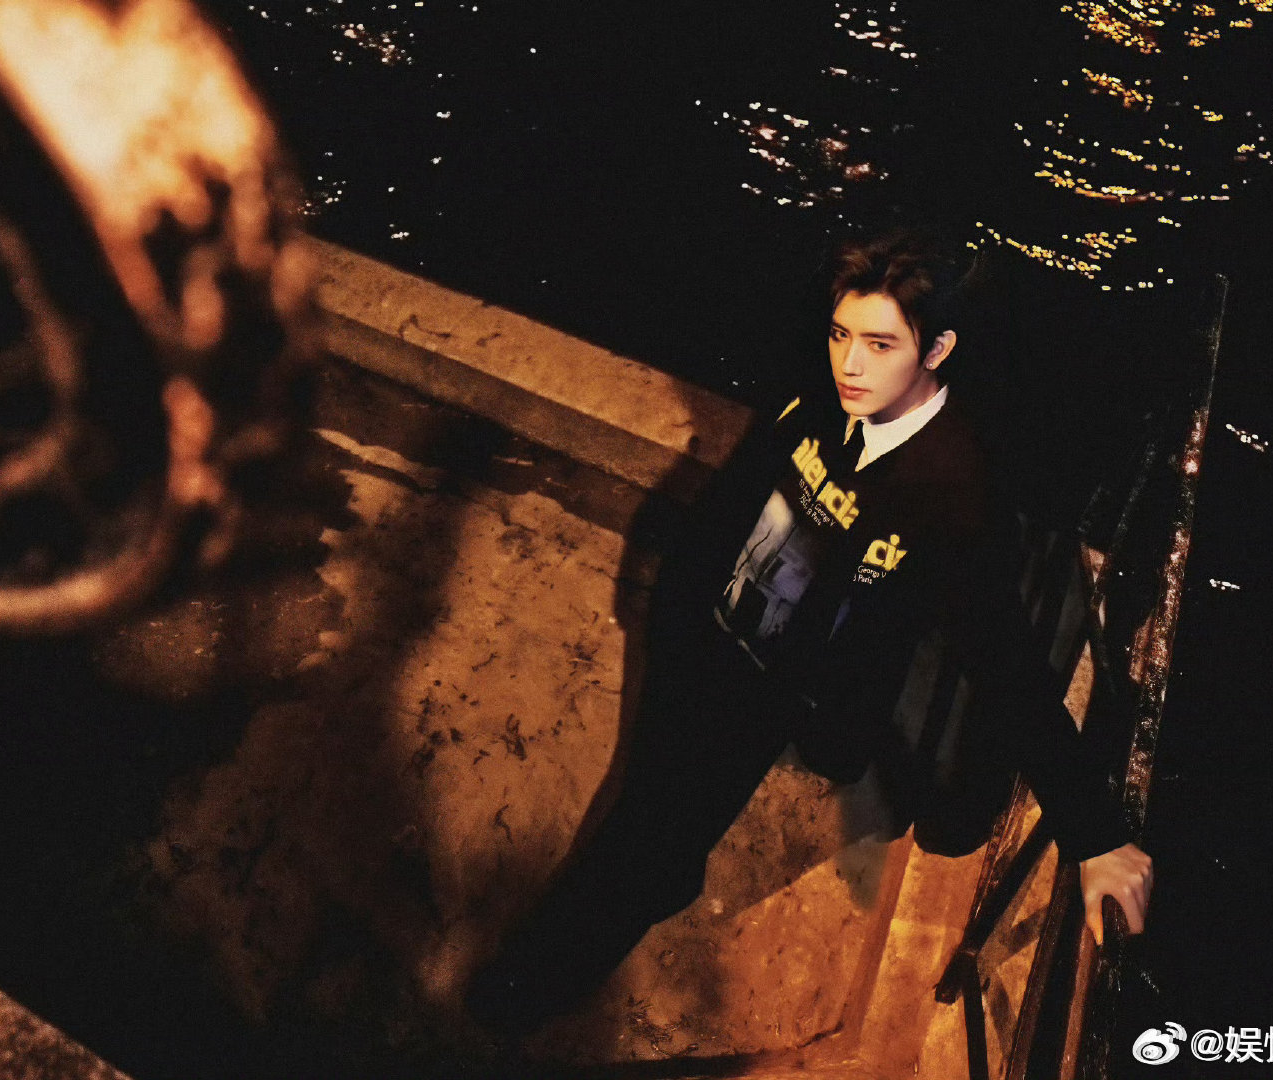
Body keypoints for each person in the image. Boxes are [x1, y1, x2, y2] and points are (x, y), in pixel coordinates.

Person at [467, 229, 1153, 1038]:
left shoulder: (951, 494)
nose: (850, 364)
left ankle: (528, 990)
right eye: (840, 334)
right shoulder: (824, 390)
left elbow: (1003, 656)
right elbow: (745, 484)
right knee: (654, 797)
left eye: (880, 344)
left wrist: (1093, 831)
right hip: (700, 634)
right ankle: (664, 872)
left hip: (769, 694)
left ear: (937, 350)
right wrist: (681, 602)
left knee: (644, 839)